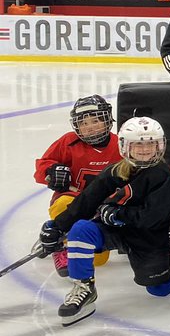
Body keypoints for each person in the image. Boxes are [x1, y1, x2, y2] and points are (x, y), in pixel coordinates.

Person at [37, 117, 170, 326]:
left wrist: (117, 215)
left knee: (160, 290)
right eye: (138, 144)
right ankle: (84, 287)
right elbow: (86, 202)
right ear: (125, 146)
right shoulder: (115, 171)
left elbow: (152, 218)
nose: (144, 149)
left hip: (146, 237)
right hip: (114, 230)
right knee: (81, 230)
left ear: (159, 145)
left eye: (150, 144)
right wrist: (57, 227)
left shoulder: (161, 174)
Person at [34, 95, 121, 278]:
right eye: (83, 123)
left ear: (107, 120)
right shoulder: (68, 142)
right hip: (73, 202)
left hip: (102, 207)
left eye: (96, 121)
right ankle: (60, 243)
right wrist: (51, 170)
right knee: (61, 204)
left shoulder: (120, 145)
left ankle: (64, 237)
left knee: (98, 260)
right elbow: (42, 167)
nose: (90, 127)